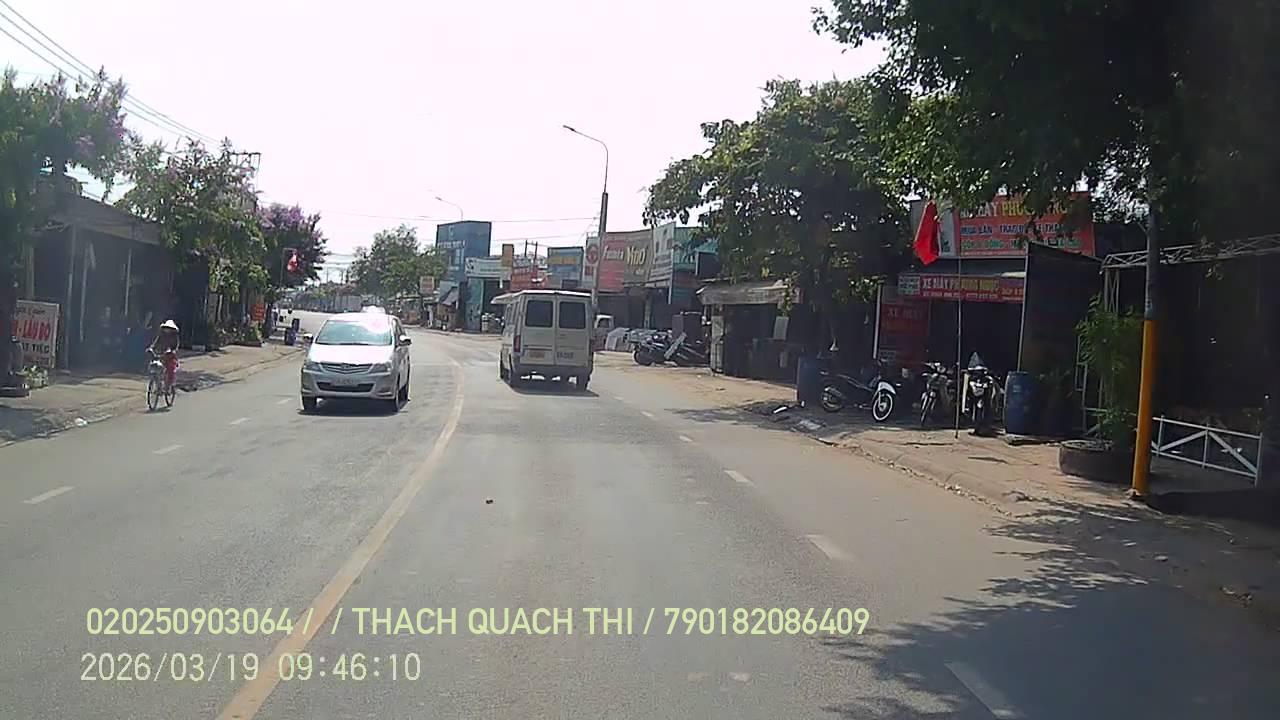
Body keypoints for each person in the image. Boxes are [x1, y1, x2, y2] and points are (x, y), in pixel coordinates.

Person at [149, 320, 180, 387]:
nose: (167, 329)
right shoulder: (161, 336)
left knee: (170, 368)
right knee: (155, 366)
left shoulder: (174, 337)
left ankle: (168, 384)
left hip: (170, 356)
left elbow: (175, 346)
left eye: (169, 328)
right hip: (160, 354)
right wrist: (151, 348)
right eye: (166, 328)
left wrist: (171, 351)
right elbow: (155, 343)